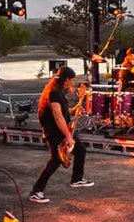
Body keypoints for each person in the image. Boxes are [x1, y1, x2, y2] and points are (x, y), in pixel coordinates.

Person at [29, 66, 93, 202]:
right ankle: (36, 192)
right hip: (55, 132)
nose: (72, 84)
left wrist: (75, 109)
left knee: (80, 149)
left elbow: (63, 111)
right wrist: (69, 137)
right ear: (66, 79)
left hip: (62, 130)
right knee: (56, 160)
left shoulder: (58, 92)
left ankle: (77, 179)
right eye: (71, 81)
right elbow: (58, 117)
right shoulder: (53, 93)